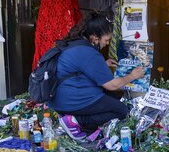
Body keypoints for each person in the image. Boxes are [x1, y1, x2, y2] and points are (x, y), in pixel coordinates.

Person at [48, 12, 145, 140]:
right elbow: (112, 85)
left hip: (59, 97)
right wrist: (132, 75)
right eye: (106, 40)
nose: (107, 43)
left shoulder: (76, 44)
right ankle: (77, 121)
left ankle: (71, 116)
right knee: (122, 111)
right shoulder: (89, 53)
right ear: (94, 38)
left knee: (114, 100)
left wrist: (103, 64)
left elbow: (79, 68)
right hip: (70, 99)